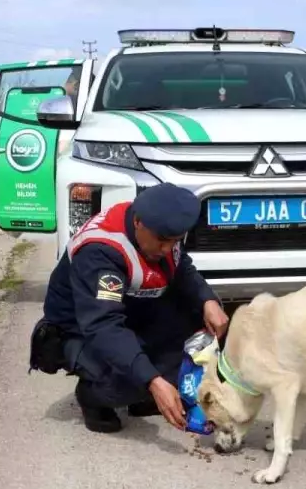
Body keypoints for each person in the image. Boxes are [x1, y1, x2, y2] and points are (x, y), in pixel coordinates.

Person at [41, 183, 229, 434]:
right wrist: (152, 380)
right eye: (162, 241)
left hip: (132, 311)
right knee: (135, 378)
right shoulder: (101, 250)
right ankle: (92, 395)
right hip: (82, 327)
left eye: (174, 241)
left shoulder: (159, 228)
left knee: (202, 332)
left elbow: (181, 266)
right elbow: (103, 326)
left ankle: (144, 395)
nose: (166, 249)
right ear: (138, 222)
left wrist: (208, 301)